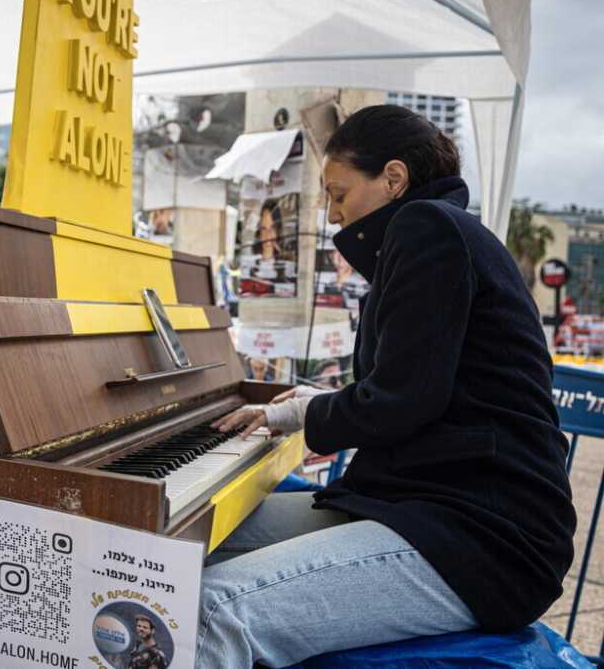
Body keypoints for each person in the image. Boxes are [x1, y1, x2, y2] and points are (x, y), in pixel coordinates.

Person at [202, 105, 576, 667]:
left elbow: (402, 400)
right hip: (423, 504)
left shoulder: (426, 228)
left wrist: (303, 414)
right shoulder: (437, 230)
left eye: (339, 193)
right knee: (184, 548)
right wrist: (312, 406)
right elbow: (410, 385)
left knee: (211, 611)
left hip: (481, 538)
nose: (332, 215)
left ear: (393, 179)